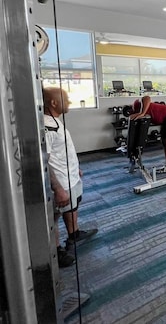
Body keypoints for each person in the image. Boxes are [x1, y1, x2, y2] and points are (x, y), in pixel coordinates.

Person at [42, 87, 98, 268]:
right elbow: (45, 160)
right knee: (55, 217)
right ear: (53, 103)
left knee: (73, 205)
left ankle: (74, 234)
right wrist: (57, 188)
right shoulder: (47, 125)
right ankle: (56, 251)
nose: (70, 103)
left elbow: (62, 151)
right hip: (60, 182)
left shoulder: (55, 121)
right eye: (66, 99)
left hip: (70, 176)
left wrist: (76, 168)